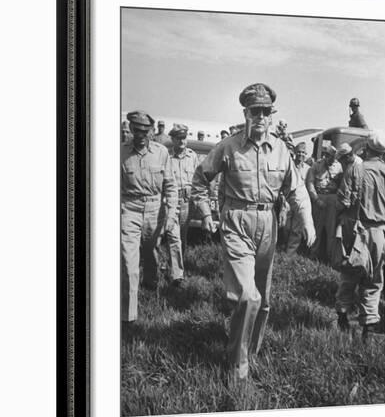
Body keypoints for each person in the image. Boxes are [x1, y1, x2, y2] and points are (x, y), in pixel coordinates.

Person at [191, 83, 315, 386]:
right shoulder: (229, 146)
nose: (260, 116)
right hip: (236, 221)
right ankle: (237, 364)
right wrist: (207, 213)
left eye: (266, 112)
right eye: (254, 111)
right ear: (245, 113)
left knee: (264, 299)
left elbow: (296, 189)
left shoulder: (281, 149)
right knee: (248, 296)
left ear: (271, 116)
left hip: (267, 223)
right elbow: (200, 179)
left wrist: (307, 220)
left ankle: (252, 350)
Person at [121, 110, 178, 322]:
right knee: (128, 262)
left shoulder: (162, 152)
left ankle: (151, 285)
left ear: (152, 131)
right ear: (130, 129)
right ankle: (128, 316)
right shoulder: (120, 152)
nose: (141, 135)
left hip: (155, 210)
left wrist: (171, 214)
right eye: (136, 130)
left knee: (150, 252)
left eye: (145, 131)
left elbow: (171, 186)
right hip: (129, 208)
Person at [335, 135, 385, 339]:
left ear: (366, 149)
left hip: (356, 229)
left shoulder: (356, 168)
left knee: (349, 273)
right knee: (374, 279)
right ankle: (369, 327)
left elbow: (343, 201)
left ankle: (343, 318)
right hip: (380, 231)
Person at [166, 124, 199, 286]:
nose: (182, 141)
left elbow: (198, 178)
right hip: (171, 202)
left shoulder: (192, 156)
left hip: (187, 201)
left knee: (183, 237)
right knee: (174, 237)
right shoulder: (167, 157)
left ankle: (176, 265)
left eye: (184, 137)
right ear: (172, 139)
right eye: (178, 138)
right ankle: (177, 275)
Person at [306, 142, 343, 264]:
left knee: (331, 229)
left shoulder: (339, 167)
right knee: (317, 227)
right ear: (324, 155)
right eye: (327, 156)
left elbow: (342, 184)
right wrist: (316, 199)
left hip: (332, 199)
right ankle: (313, 254)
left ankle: (330, 257)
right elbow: (310, 183)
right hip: (319, 197)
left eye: (332, 157)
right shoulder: (316, 166)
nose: (330, 159)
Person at [286, 142, 311, 256]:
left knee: (296, 228)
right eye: (299, 152)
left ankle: (290, 252)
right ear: (295, 153)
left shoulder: (308, 169)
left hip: (300, 201)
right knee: (285, 226)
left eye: (303, 153)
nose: (301, 154)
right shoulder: (289, 165)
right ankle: (281, 245)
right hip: (287, 200)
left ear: (306, 154)